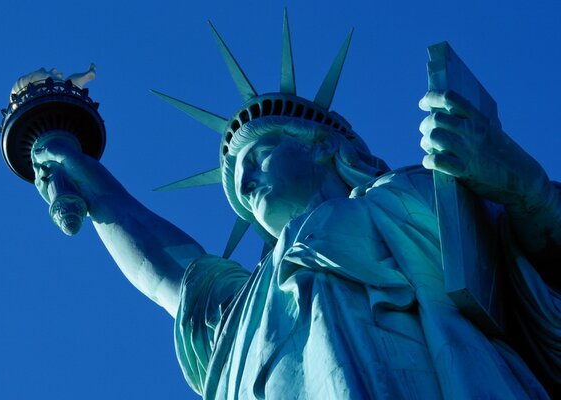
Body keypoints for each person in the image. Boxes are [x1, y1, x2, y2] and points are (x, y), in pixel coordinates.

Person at [30, 20, 559, 399]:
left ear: (323, 146)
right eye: (238, 181)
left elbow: (539, 262)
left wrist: (522, 184)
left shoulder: (414, 195)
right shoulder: (252, 300)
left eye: (258, 156)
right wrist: (85, 178)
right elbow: (170, 273)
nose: (249, 180)